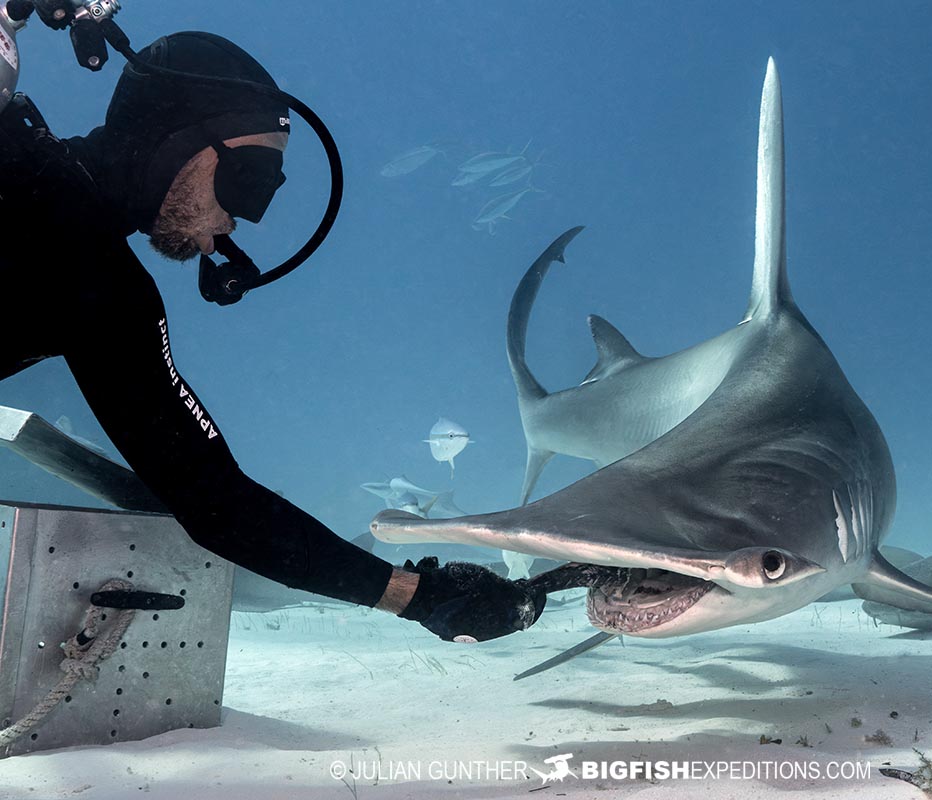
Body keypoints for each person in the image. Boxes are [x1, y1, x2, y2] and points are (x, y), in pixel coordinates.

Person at [0, 31, 545, 642]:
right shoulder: (64, 237)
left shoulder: (98, 289)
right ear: (172, 138)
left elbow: (214, 500)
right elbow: (217, 504)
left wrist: (415, 595)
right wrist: (420, 599)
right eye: (249, 178)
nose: (242, 218)